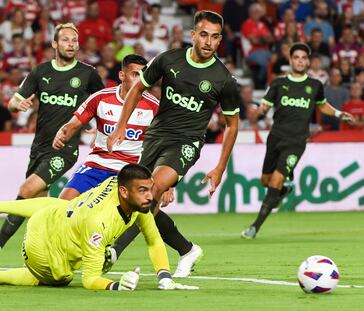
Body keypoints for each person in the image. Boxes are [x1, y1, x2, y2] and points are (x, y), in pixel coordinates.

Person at [107, 10, 240, 277]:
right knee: (138, 198)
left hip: (186, 143)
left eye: (214, 37)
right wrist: (121, 124)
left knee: (151, 189)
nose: (208, 42)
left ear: (219, 40)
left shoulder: (223, 79)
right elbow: (138, 89)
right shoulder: (168, 59)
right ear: (193, 35)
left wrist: (219, 168)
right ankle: (187, 249)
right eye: (203, 34)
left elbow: (232, 125)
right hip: (156, 136)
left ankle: (113, 252)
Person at [0, 164, 198, 291]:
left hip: (47, 216)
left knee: (61, 206)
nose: (149, 196)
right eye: (143, 190)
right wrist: (115, 286)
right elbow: (90, 279)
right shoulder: (99, 222)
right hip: (40, 250)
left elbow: (154, 240)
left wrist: (164, 277)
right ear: (124, 192)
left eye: (150, 189)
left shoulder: (124, 188)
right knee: (62, 277)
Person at [0, 23, 105, 250]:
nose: (71, 44)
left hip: (64, 149)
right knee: (39, 206)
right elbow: (12, 102)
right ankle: (48, 252)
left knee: (25, 191)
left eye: (74, 41)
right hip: (39, 147)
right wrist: (20, 104)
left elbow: (105, 104)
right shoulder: (40, 72)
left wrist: (100, 127)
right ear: (55, 44)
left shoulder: (87, 74)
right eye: (66, 40)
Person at [240, 43, 355, 239]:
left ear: (308, 62)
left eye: (304, 57)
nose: (301, 60)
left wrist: (338, 113)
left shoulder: (314, 85)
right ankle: (284, 190)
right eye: (297, 57)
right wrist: (257, 111)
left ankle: (254, 227)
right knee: (266, 181)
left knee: (275, 179)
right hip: (275, 138)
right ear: (291, 60)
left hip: (296, 142)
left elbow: (322, 106)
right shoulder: (278, 84)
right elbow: (265, 107)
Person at [53, 54, 161, 201]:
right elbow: (72, 125)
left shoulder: (154, 106)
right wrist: (61, 134)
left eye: (143, 75)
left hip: (130, 171)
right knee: (62, 205)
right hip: (97, 164)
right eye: (135, 74)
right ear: (122, 75)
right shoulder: (100, 98)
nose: (139, 80)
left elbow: (164, 143)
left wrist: (168, 185)